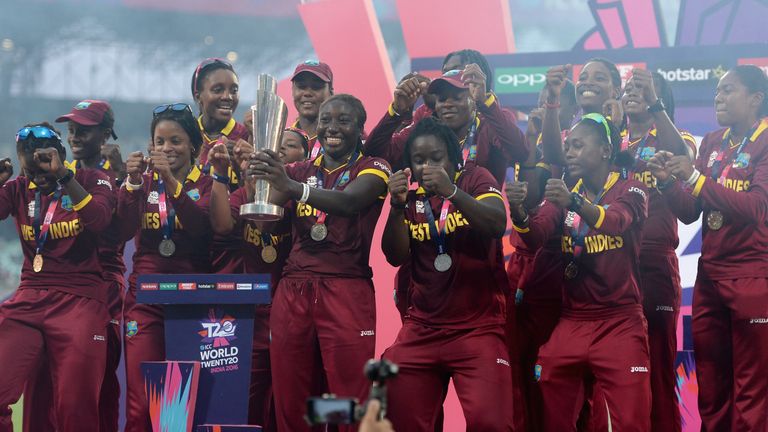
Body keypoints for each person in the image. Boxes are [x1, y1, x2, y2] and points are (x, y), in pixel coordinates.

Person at [247, 94, 391, 432]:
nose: (332, 127)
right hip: (293, 288)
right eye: (326, 120)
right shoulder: (299, 170)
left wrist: (293, 187)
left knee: (347, 400)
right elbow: (263, 222)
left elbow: (350, 201)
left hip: (345, 289)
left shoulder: (374, 167)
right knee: (292, 400)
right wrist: (261, 181)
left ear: (360, 128)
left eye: (343, 120)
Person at [510, 114, 650, 431]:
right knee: (550, 413)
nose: (569, 153)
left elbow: (615, 221)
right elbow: (536, 235)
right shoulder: (563, 194)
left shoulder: (633, 189)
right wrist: (519, 213)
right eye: (567, 147)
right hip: (572, 321)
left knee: (631, 422)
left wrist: (573, 201)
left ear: (604, 150)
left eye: (577, 145)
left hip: (619, 321)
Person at [647, 64, 768, 431]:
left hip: (752, 278)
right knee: (713, 388)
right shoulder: (713, 143)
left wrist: (696, 178)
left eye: (728, 90)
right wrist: (670, 184)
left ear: (756, 99)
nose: (718, 97)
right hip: (710, 279)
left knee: (752, 390)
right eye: (716, 90)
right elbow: (689, 213)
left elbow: (756, 209)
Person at [381, 118, 513, 431]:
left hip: (477, 328)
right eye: (419, 160)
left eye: (436, 158)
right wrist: (396, 208)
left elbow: (496, 223)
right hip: (423, 328)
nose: (428, 166)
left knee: (491, 422)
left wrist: (452, 191)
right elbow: (394, 255)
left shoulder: (476, 179)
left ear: (454, 159)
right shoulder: (412, 199)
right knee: (400, 414)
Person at [0, 123, 115, 431]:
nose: (39, 170)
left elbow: (100, 220)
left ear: (61, 155)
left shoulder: (92, 179)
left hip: (80, 300)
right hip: (29, 298)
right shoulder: (18, 189)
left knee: (74, 408)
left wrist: (64, 176)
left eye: (44, 159)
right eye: (29, 160)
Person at [118, 103, 213, 432]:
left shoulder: (206, 185)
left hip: (191, 303)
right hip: (145, 303)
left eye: (176, 141)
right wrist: (130, 183)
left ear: (193, 146)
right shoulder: (141, 184)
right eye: (160, 141)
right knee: (141, 403)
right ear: (150, 146)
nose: (167, 148)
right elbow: (119, 230)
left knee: (176, 406)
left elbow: (201, 227)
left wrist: (171, 181)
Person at [208, 127, 310, 431]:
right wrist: (221, 174)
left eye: (289, 147)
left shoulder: (300, 199)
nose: (279, 151)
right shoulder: (245, 193)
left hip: (290, 310)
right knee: (249, 399)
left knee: (289, 400)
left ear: (304, 159)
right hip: (252, 315)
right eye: (274, 146)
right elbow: (223, 225)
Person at [620, 69, 696, 432]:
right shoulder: (611, 140)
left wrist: (654, 103)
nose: (632, 91)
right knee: (617, 373)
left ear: (659, 98)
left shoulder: (676, 138)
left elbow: (682, 157)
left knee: (658, 370)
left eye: (643, 89)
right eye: (629, 87)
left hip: (654, 265)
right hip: (609, 266)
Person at [192, 57, 250, 168]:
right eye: (218, 90)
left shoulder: (246, 137)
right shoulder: (185, 136)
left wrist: (242, 167)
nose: (227, 97)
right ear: (198, 96)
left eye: (234, 91)